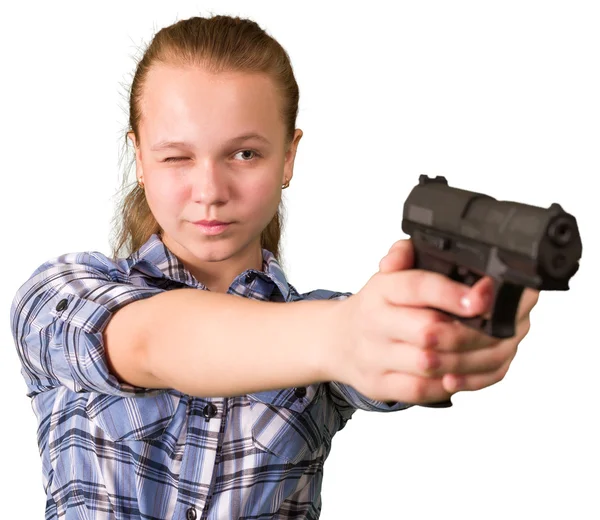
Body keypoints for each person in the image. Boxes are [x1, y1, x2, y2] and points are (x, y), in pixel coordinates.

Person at [9, 13, 539, 520]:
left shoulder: (331, 325)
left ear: (288, 157)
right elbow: (150, 341)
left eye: (244, 154)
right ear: (140, 159)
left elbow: (387, 361)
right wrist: (344, 339)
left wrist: (450, 327)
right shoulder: (59, 296)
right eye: (177, 157)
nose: (210, 192)